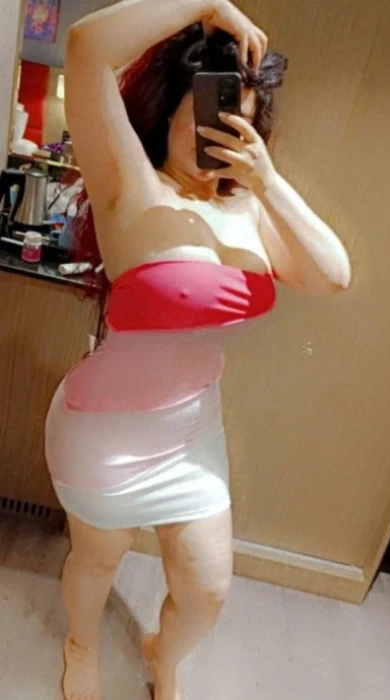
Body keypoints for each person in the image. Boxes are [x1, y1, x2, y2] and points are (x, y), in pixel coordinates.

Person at [45, 1, 351, 699]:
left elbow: (333, 275)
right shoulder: (130, 184)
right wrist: (207, 2)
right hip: (105, 438)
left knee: (208, 588)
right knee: (97, 561)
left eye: (238, 121)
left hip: (193, 435)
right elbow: (87, 46)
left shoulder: (250, 211)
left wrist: (267, 181)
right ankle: (79, 643)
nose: (219, 132)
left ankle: (163, 651)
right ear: (173, 109)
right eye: (209, 112)